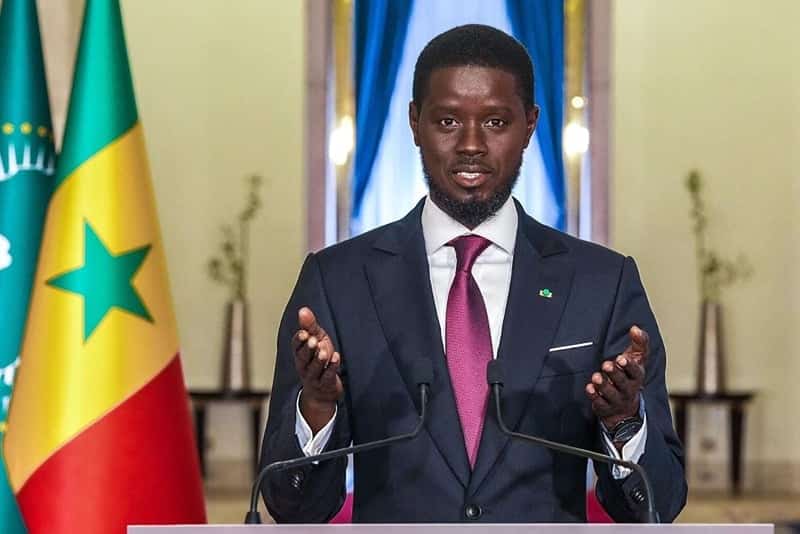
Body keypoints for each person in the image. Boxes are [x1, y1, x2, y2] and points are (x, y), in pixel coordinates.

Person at [261, 24, 687, 523]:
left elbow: (659, 505)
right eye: (447, 121)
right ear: (414, 122)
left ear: (530, 125)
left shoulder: (602, 283)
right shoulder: (339, 281)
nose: (470, 144)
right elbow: (291, 508)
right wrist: (317, 409)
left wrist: (622, 422)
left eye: (495, 122)